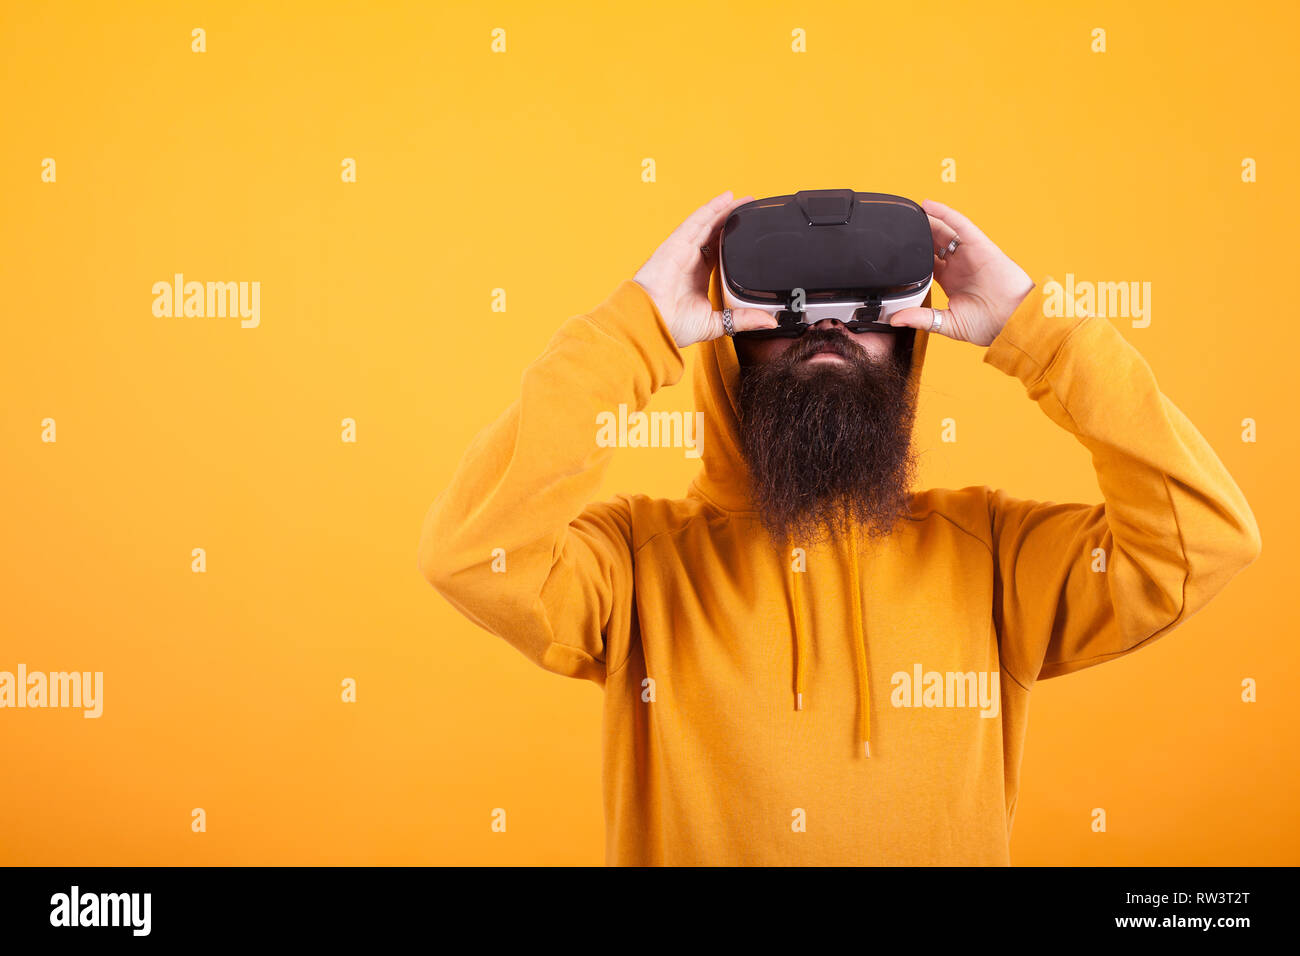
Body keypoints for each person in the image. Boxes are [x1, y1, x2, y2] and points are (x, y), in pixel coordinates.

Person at [418, 190, 1261, 865]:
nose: (826, 325)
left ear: (911, 341)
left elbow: (1204, 538)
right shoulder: (639, 566)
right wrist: (636, 330)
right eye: (786, 309)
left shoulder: (993, 555)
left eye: (864, 306)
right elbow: (472, 555)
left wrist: (1034, 328)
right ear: (728, 343)